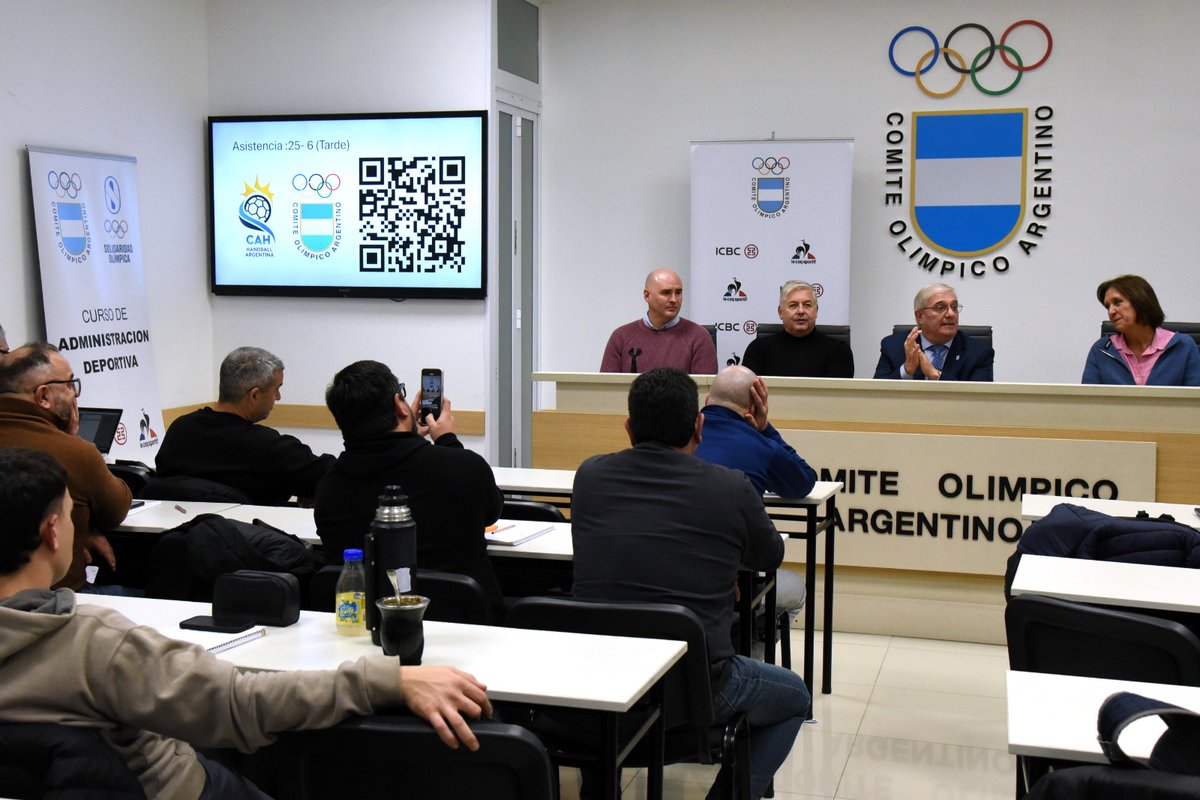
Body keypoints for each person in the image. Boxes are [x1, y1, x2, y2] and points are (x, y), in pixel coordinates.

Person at [0, 447, 492, 800]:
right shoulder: (93, 646)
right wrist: (388, 679)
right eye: (69, 515)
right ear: (51, 532)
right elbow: (240, 706)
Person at [571, 367, 810, 800]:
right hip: (696, 689)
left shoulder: (589, 477)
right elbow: (770, 556)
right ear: (698, 426)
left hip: (598, 679)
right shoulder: (729, 487)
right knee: (794, 695)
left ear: (628, 428)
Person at [314, 360, 505, 620]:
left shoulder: (329, 487)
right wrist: (446, 440)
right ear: (399, 405)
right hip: (467, 622)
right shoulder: (462, 466)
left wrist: (412, 437)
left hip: (367, 627)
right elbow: (491, 512)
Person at [0, 343, 130, 592]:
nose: (75, 395)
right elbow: (117, 509)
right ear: (44, 397)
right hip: (60, 603)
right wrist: (74, 442)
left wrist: (84, 528)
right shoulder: (75, 453)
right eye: (70, 384)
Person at [694, 365, 814, 633]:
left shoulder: (678, 437)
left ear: (706, 401)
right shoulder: (761, 446)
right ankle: (745, 659)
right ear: (754, 407)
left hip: (669, 576)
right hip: (728, 582)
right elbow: (803, 482)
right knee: (794, 588)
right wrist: (766, 429)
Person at [156, 347, 336, 505]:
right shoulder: (268, 447)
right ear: (254, 396)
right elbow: (332, 477)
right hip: (251, 540)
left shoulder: (179, 430)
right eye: (276, 389)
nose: (278, 397)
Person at [1082, 274, 1200, 386]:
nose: (1111, 311)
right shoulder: (1101, 349)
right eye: (1108, 306)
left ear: (1141, 302)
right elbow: (1088, 401)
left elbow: (1194, 401)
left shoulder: (1183, 346)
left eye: (1117, 302)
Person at [600, 268, 718, 374]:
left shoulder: (699, 337)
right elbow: (607, 390)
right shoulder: (621, 337)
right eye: (666, 293)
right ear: (647, 296)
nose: (674, 299)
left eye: (678, 292)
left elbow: (703, 392)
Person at [873, 283, 994, 381]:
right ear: (920, 316)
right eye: (940, 308)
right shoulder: (893, 346)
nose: (951, 314)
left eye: (954, 307)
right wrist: (907, 370)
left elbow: (978, 401)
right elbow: (876, 395)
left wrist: (935, 375)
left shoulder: (978, 353)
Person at [741, 280, 854, 377]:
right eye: (793, 305)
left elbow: (836, 397)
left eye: (807, 305)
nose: (801, 311)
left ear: (816, 311)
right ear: (780, 312)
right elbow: (750, 394)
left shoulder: (839, 351)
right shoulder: (758, 349)